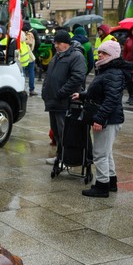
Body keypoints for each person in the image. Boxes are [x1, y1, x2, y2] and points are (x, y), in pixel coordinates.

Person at [71, 40, 132, 197]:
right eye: (99, 52)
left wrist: (99, 119)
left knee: (99, 154)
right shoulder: (107, 70)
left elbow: (111, 99)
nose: (100, 55)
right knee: (106, 153)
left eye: (104, 53)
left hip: (108, 120)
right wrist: (82, 95)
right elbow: (100, 91)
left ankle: (102, 186)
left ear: (113, 55)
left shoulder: (113, 73)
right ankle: (111, 182)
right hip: (109, 119)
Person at [41, 29, 87, 165]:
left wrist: (62, 92)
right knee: (56, 132)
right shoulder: (57, 56)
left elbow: (77, 77)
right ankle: (59, 157)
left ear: (67, 43)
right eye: (55, 43)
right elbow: (49, 76)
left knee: (65, 133)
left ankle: (66, 159)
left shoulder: (76, 56)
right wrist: (45, 91)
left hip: (65, 102)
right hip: (53, 101)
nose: (56, 46)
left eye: (59, 43)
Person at [23, 21, 38, 96]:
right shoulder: (31, 34)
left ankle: (22, 88)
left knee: (22, 73)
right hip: (30, 56)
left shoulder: (21, 34)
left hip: (22, 56)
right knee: (31, 72)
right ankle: (31, 89)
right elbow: (34, 45)